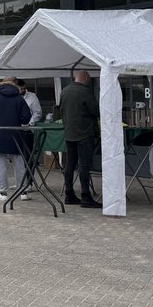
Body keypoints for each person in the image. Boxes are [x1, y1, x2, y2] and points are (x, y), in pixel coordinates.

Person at [0, 77, 32, 201]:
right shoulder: (19, 98)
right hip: (16, 135)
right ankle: (23, 192)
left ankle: (3, 193)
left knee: (0, 166)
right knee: (19, 164)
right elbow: (26, 118)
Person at [57, 70, 101, 208]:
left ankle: (69, 194)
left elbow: (60, 110)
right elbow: (95, 111)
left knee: (70, 164)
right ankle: (85, 196)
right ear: (86, 78)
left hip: (69, 132)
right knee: (84, 165)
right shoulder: (85, 92)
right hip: (84, 132)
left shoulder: (65, 91)